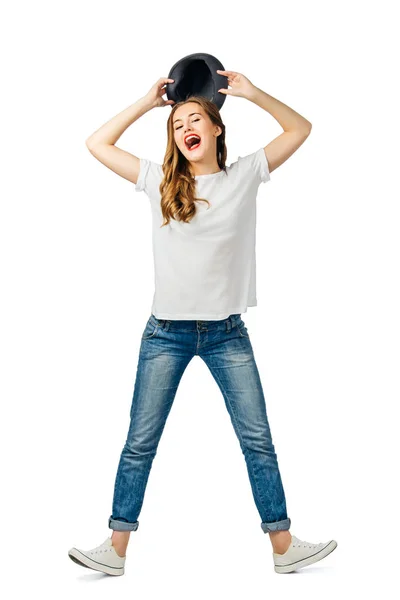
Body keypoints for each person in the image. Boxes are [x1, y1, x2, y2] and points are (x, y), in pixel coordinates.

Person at [68, 71, 337, 576]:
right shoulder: (160, 181)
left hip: (226, 333)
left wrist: (253, 94)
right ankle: (115, 548)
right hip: (164, 334)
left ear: (215, 128)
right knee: (140, 441)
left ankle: (283, 546)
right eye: (175, 125)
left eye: (194, 119)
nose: (184, 127)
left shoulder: (245, 176)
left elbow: (300, 129)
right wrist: (146, 103)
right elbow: (96, 143)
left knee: (256, 437)